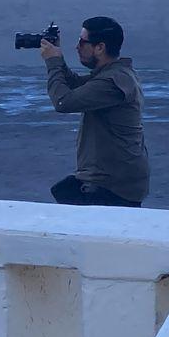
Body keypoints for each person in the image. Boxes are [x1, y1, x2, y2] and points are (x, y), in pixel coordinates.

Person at [41, 16, 150, 207]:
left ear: (100, 47)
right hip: (115, 180)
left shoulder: (111, 82)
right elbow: (75, 86)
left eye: (83, 42)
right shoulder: (116, 74)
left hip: (111, 187)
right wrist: (57, 59)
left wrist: (53, 62)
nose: (77, 47)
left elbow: (63, 101)